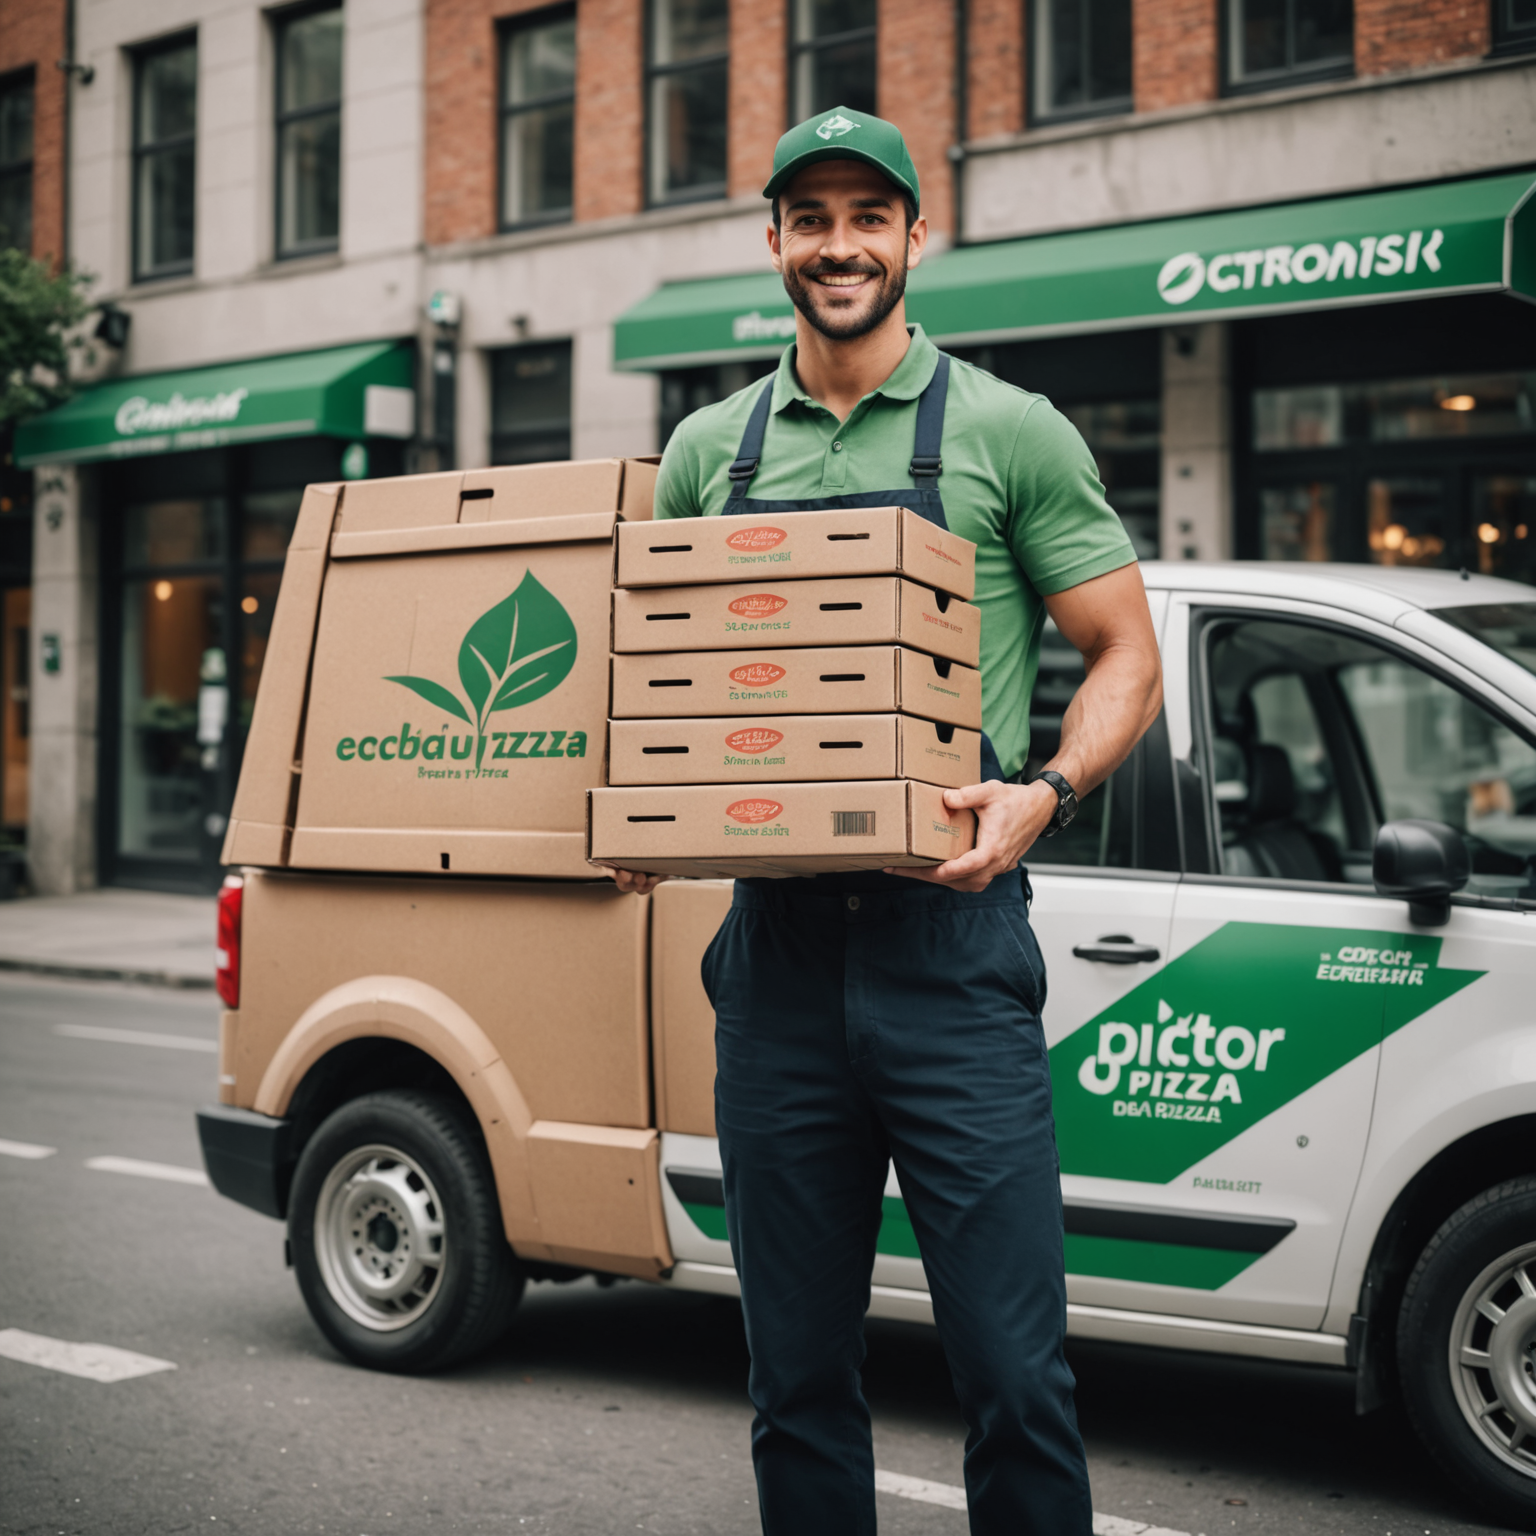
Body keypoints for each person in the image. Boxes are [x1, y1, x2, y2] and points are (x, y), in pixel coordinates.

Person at [607, 108, 1162, 1536]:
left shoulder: (1006, 430)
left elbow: (1126, 650)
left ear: (920, 235)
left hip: (952, 950)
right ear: (775, 241)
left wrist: (1044, 792)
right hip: (776, 966)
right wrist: (633, 814)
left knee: (1013, 1375)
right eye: (810, 217)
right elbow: (655, 689)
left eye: (869, 215)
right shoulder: (703, 456)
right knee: (794, 1378)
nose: (838, 244)